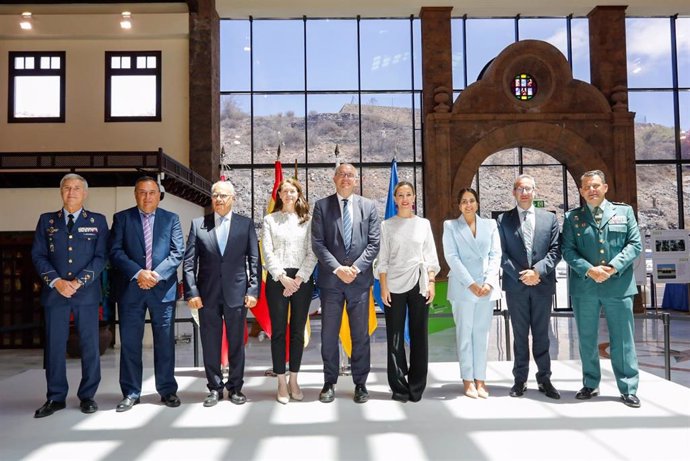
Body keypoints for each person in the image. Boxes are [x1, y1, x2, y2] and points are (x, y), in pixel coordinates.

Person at [31, 174, 109, 418]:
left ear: (85, 193)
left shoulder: (97, 221)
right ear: (60, 192)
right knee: (54, 347)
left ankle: (87, 396)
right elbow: (38, 255)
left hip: (85, 294)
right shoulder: (47, 221)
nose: (72, 192)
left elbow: (101, 257)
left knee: (90, 346)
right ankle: (55, 397)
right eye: (67, 188)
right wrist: (57, 282)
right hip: (55, 295)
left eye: (77, 188)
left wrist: (77, 282)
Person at [562, 169, 642, 408]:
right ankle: (590, 383)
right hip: (586, 288)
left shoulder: (624, 212)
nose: (592, 190)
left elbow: (634, 244)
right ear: (581, 191)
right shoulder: (572, 218)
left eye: (596, 185)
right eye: (587, 187)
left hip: (618, 286)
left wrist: (612, 267)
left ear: (605, 187)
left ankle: (628, 387)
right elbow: (567, 250)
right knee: (587, 338)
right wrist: (589, 269)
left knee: (623, 340)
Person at [109, 176, 184, 412]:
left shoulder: (171, 219)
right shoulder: (122, 218)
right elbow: (116, 251)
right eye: (142, 192)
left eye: (152, 192)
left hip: (162, 290)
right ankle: (131, 392)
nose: (147, 197)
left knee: (165, 343)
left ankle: (167, 390)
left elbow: (177, 251)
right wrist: (139, 273)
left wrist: (155, 275)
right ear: (135, 194)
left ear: (159, 195)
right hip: (132, 289)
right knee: (130, 343)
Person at [183, 180, 260, 406]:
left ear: (233, 199)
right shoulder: (199, 225)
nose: (219, 199)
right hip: (206, 296)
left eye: (223, 196)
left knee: (237, 343)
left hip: (237, 294)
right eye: (215, 195)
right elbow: (189, 263)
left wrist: (253, 289)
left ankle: (235, 388)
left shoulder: (245, 225)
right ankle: (214, 388)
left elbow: (254, 261)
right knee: (210, 343)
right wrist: (192, 292)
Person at [312, 162, 380, 404]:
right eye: (341, 174)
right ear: (334, 178)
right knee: (329, 335)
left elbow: (374, 244)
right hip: (332, 282)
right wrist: (338, 268)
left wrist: (355, 268)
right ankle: (329, 382)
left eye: (350, 175)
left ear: (356, 179)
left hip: (359, 282)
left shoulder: (369, 206)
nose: (346, 178)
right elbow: (318, 244)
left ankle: (360, 383)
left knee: (360, 335)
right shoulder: (321, 206)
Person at [497, 174, 562, 399]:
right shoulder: (503, 221)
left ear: (535, 191)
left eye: (528, 189)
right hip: (517, 287)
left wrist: (537, 272)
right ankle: (519, 379)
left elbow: (555, 251)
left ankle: (545, 378)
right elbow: (500, 254)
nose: (524, 193)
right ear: (514, 192)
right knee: (520, 334)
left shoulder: (549, 219)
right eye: (520, 189)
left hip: (542, 285)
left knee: (543, 335)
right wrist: (522, 275)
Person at [377, 181, 440, 403]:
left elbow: (431, 256)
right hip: (393, 284)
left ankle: (416, 386)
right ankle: (398, 387)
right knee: (394, 337)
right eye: (400, 195)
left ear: (414, 197)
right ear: (395, 199)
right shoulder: (387, 225)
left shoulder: (423, 224)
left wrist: (431, 282)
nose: (404, 198)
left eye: (408, 194)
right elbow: (382, 259)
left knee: (419, 335)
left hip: (420, 283)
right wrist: (383, 286)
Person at [261, 178, 317, 404]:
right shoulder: (269, 220)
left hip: (302, 280)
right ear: (279, 195)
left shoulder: (308, 220)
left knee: (296, 332)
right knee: (279, 332)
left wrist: (299, 278)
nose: (289, 195)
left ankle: (294, 378)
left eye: (292, 191)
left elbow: (312, 252)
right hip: (277, 280)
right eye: (284, 191)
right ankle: (281, 381)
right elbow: (267, 251)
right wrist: (283, 278)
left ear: (298, 194)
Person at [442, 188, 502, 399]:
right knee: (464, 335)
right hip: (462, 288)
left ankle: (481, 380)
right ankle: (467, 380)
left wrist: (488, 282)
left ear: (477, 204)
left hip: (486, 288)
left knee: (482, 335)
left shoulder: (490, 225)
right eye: (464, 201)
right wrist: (470, 283)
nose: (468, 205)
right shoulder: (450, 226)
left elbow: (496, 255)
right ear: (459, 205)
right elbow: (452, 257)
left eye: (472, 201)